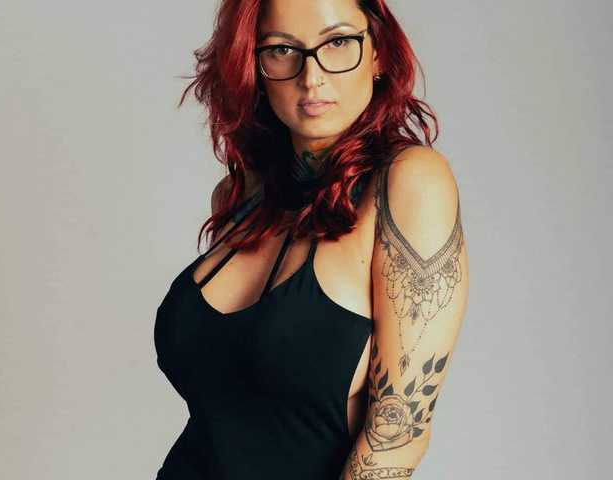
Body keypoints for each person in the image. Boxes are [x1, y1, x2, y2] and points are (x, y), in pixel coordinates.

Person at [153, 0, 469, 478]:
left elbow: (398, 437)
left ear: (378, 51)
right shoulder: (241, 194)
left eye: (338, 42)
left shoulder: (409, 183)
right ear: (254, 65)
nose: (312, 77)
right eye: (282, 50)